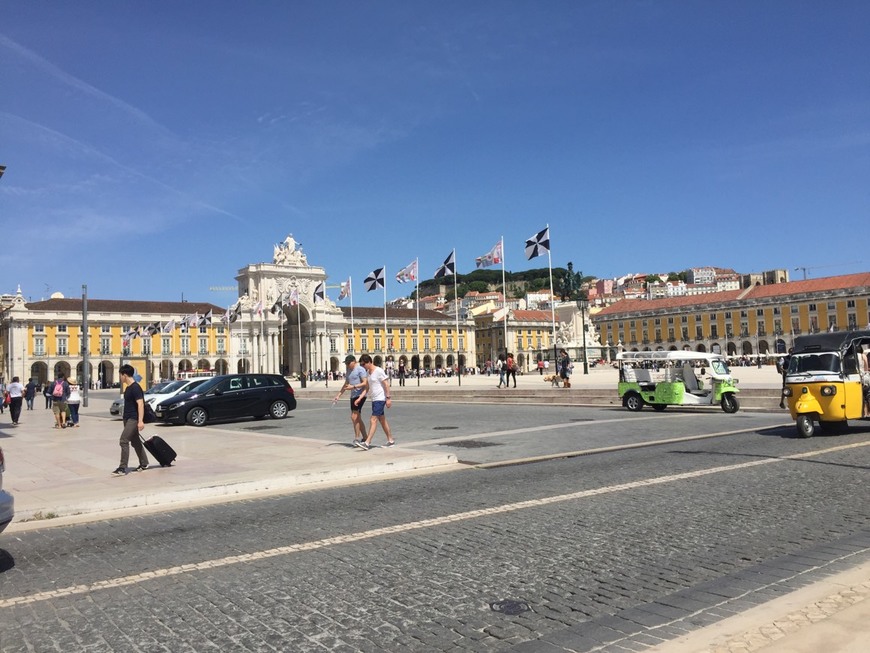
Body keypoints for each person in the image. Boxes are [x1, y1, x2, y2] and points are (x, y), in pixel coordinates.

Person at [113, 364, 149, 475]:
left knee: (123, 440)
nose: (120, 377)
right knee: (135, 441)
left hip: (133, 419)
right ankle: (144, 463)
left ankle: (122, 467)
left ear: (125, 375)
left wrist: (140, 421)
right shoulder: (128, 388)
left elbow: (140, 404)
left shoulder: (135, 388)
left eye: (120, 375)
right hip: (127, 418)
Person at [355, 353, 395, 450]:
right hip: (374, 399)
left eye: (363, 364)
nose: (363, 366)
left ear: (369, 362)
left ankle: (367, 442)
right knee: (382, 420)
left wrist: (388, 398)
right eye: (361, 365)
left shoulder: (379, 371)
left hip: (380, 399)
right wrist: (360, 398)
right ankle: (391, 440)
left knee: (373, 420)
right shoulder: (368, 373)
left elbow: (386, 384)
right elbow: (367, 388)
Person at [334, 355, 368, 446]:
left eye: (349, 363)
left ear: (354, 361)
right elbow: (346, 384)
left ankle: (357, 438)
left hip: (360, 395)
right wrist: (338, 395)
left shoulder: (360, 369)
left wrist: (353, 387)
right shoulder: (349, 370)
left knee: (354, 417)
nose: (348, 365)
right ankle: (365, 437)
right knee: (358, 418)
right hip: (353, 396)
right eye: (346, 363)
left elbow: (365, 382)